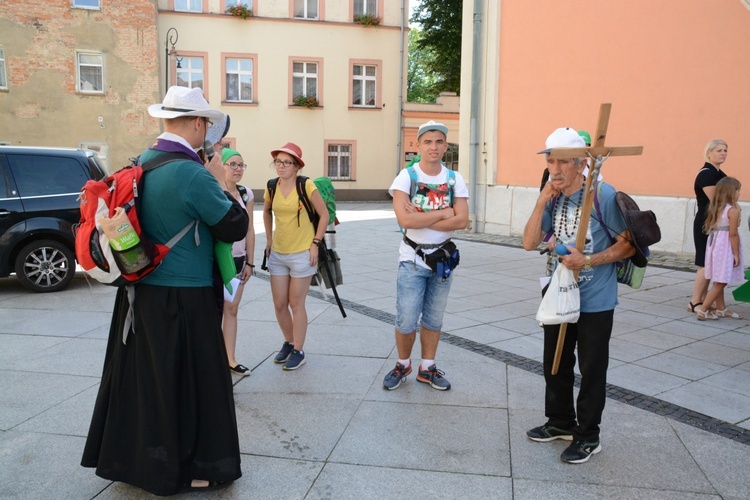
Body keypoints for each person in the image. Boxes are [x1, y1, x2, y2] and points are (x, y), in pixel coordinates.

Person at [81, 86, 249, 495]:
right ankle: (196, 467)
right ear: (196, 123)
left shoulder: (143, 161)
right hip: (183, 296)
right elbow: (234, 225)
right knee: (194, 384)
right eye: (206, 125)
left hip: (139, 295)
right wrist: (219, 180)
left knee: (147, 383)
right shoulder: (190, 172)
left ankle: (137, 461)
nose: (207, 133)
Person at [522, 127, 635, 464]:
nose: (555, 168)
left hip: (596, 298)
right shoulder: (551, 195)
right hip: (559, 292)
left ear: (580, 163)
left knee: (591, 367)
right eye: (551, 160)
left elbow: (627, 245)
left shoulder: (602, 194)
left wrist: (587, 260)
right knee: (554, 362)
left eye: (562, 162)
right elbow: (529, 242)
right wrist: (542, 199)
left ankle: (588, 436)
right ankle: (560, 422)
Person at [383, 120, 469, 391]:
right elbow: (404, 220)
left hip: (442, 260)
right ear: (418, 145)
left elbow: (463, 221)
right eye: (428, 142)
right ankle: (403, 363)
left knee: (433, 317)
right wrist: (444, 213)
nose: (434, 147)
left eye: (439, 142)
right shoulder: (407, 177)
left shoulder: (454, 179)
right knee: (406, 317)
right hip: (412, 258)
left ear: (446, 145)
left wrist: (422, 217)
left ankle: (427, 367)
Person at [263, 142, 328, 371]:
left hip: (302, 253)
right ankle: (289, 343)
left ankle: (299, 350)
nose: (281, 166)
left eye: (287, 163)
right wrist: (269, 240)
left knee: (295, 303)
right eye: (278, 162)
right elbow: (266, 211)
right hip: (278, 253)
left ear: (296, 166)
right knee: (279, 303)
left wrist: (315, 244)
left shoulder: (306, 185)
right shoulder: (271, 186)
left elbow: (324, 215)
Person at [221, 147, 256, 375]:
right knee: (213, 310)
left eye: (241, 165)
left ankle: (230, 359)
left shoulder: (246, 194)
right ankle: (212, 359)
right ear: (221, 166)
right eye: (232, 164)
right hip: (217, 260)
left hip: (238, 260)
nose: (237, 169)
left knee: (231, 310)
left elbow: (250, 229)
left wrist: (251, 263)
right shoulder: (213, 191)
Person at [689, 139, 728, 313]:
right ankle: (695, 302)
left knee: (711, 263)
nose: (723, 153)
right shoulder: (707, 174)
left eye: (725, 150)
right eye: (719, 150)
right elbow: (717, 202)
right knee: (704, 263)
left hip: (716, 223)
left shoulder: (719, 174)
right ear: (709, 153)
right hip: (706, 222)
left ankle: (705, 299)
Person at [696, 177, 744, 320]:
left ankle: (721, 309)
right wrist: (736, 254)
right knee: (721, 281)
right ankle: (703, 309)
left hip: (715, 244)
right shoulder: (732, 210)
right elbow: (733, 234)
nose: (739, 193)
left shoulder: (716, 207)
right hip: (725, 247)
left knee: (718, 277)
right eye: (738, 190)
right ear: (731, 192)